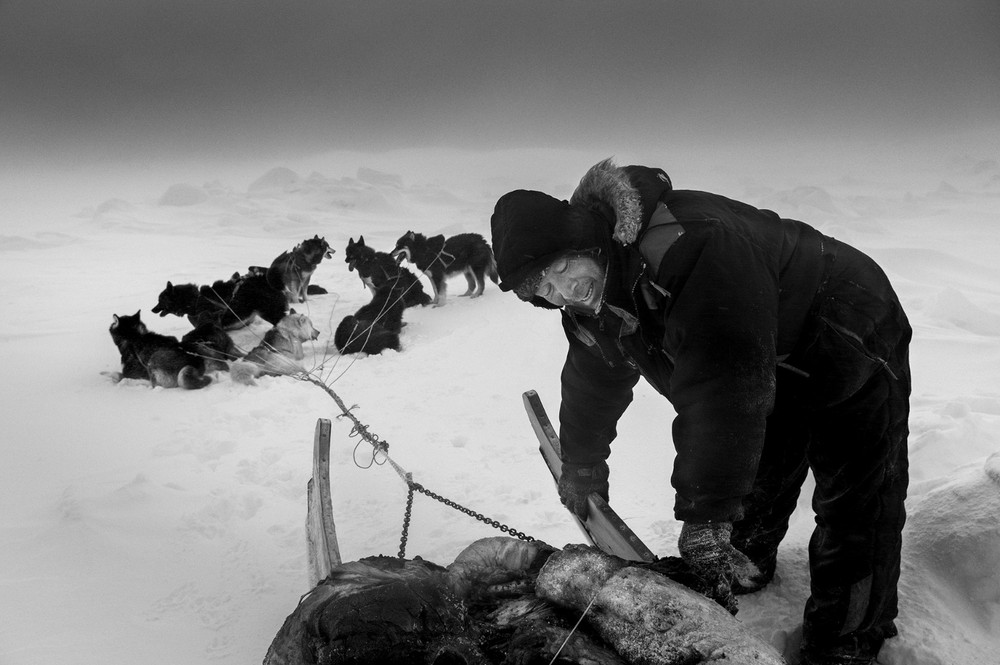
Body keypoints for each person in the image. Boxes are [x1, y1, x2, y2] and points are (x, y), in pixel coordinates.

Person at [490, 158, 911, 665]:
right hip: (756, 362)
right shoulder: (593, 299)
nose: (563, 294)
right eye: (543, 291)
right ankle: (745, 558)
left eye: (563, 273)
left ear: (588, 242)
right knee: (758, 470)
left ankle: (846, 638)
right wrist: (581, 463)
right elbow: (592, 379)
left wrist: (704, 518)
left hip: (844, 329)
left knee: (855, 503)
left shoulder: (690, 245)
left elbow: (722, 390)